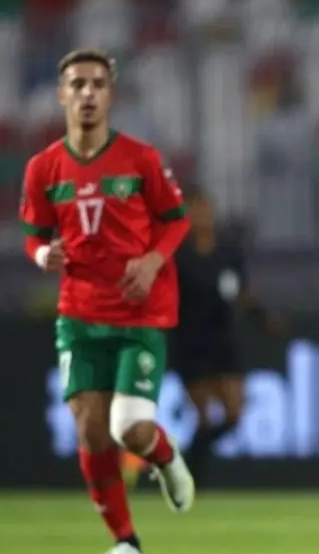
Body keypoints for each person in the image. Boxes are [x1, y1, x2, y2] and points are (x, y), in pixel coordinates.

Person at [19, 48, 194, 554]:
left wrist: (152, 261)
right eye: (78, 84)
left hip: (139, 313)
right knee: (91, 432)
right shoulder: (43, 168)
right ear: (62, 94)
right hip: (79, 315)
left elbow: (176, 220)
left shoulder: (141, 159)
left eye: (97, 84)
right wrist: (42, 255)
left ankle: (164, 455)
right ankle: (126, 541)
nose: (88, 93)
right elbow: (34, 236)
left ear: (110, 94)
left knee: (130, 430)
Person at [173, 188, 281, 485]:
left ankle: (188, 462)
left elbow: (242, 293)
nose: (202, 216)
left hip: (221, 339)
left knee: (234, 413)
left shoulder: (228, 253)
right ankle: (191, 479)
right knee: (203, 417)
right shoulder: (178, 256)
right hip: (190, 342)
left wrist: (262, 317)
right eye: (195, 210)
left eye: (205, 209)